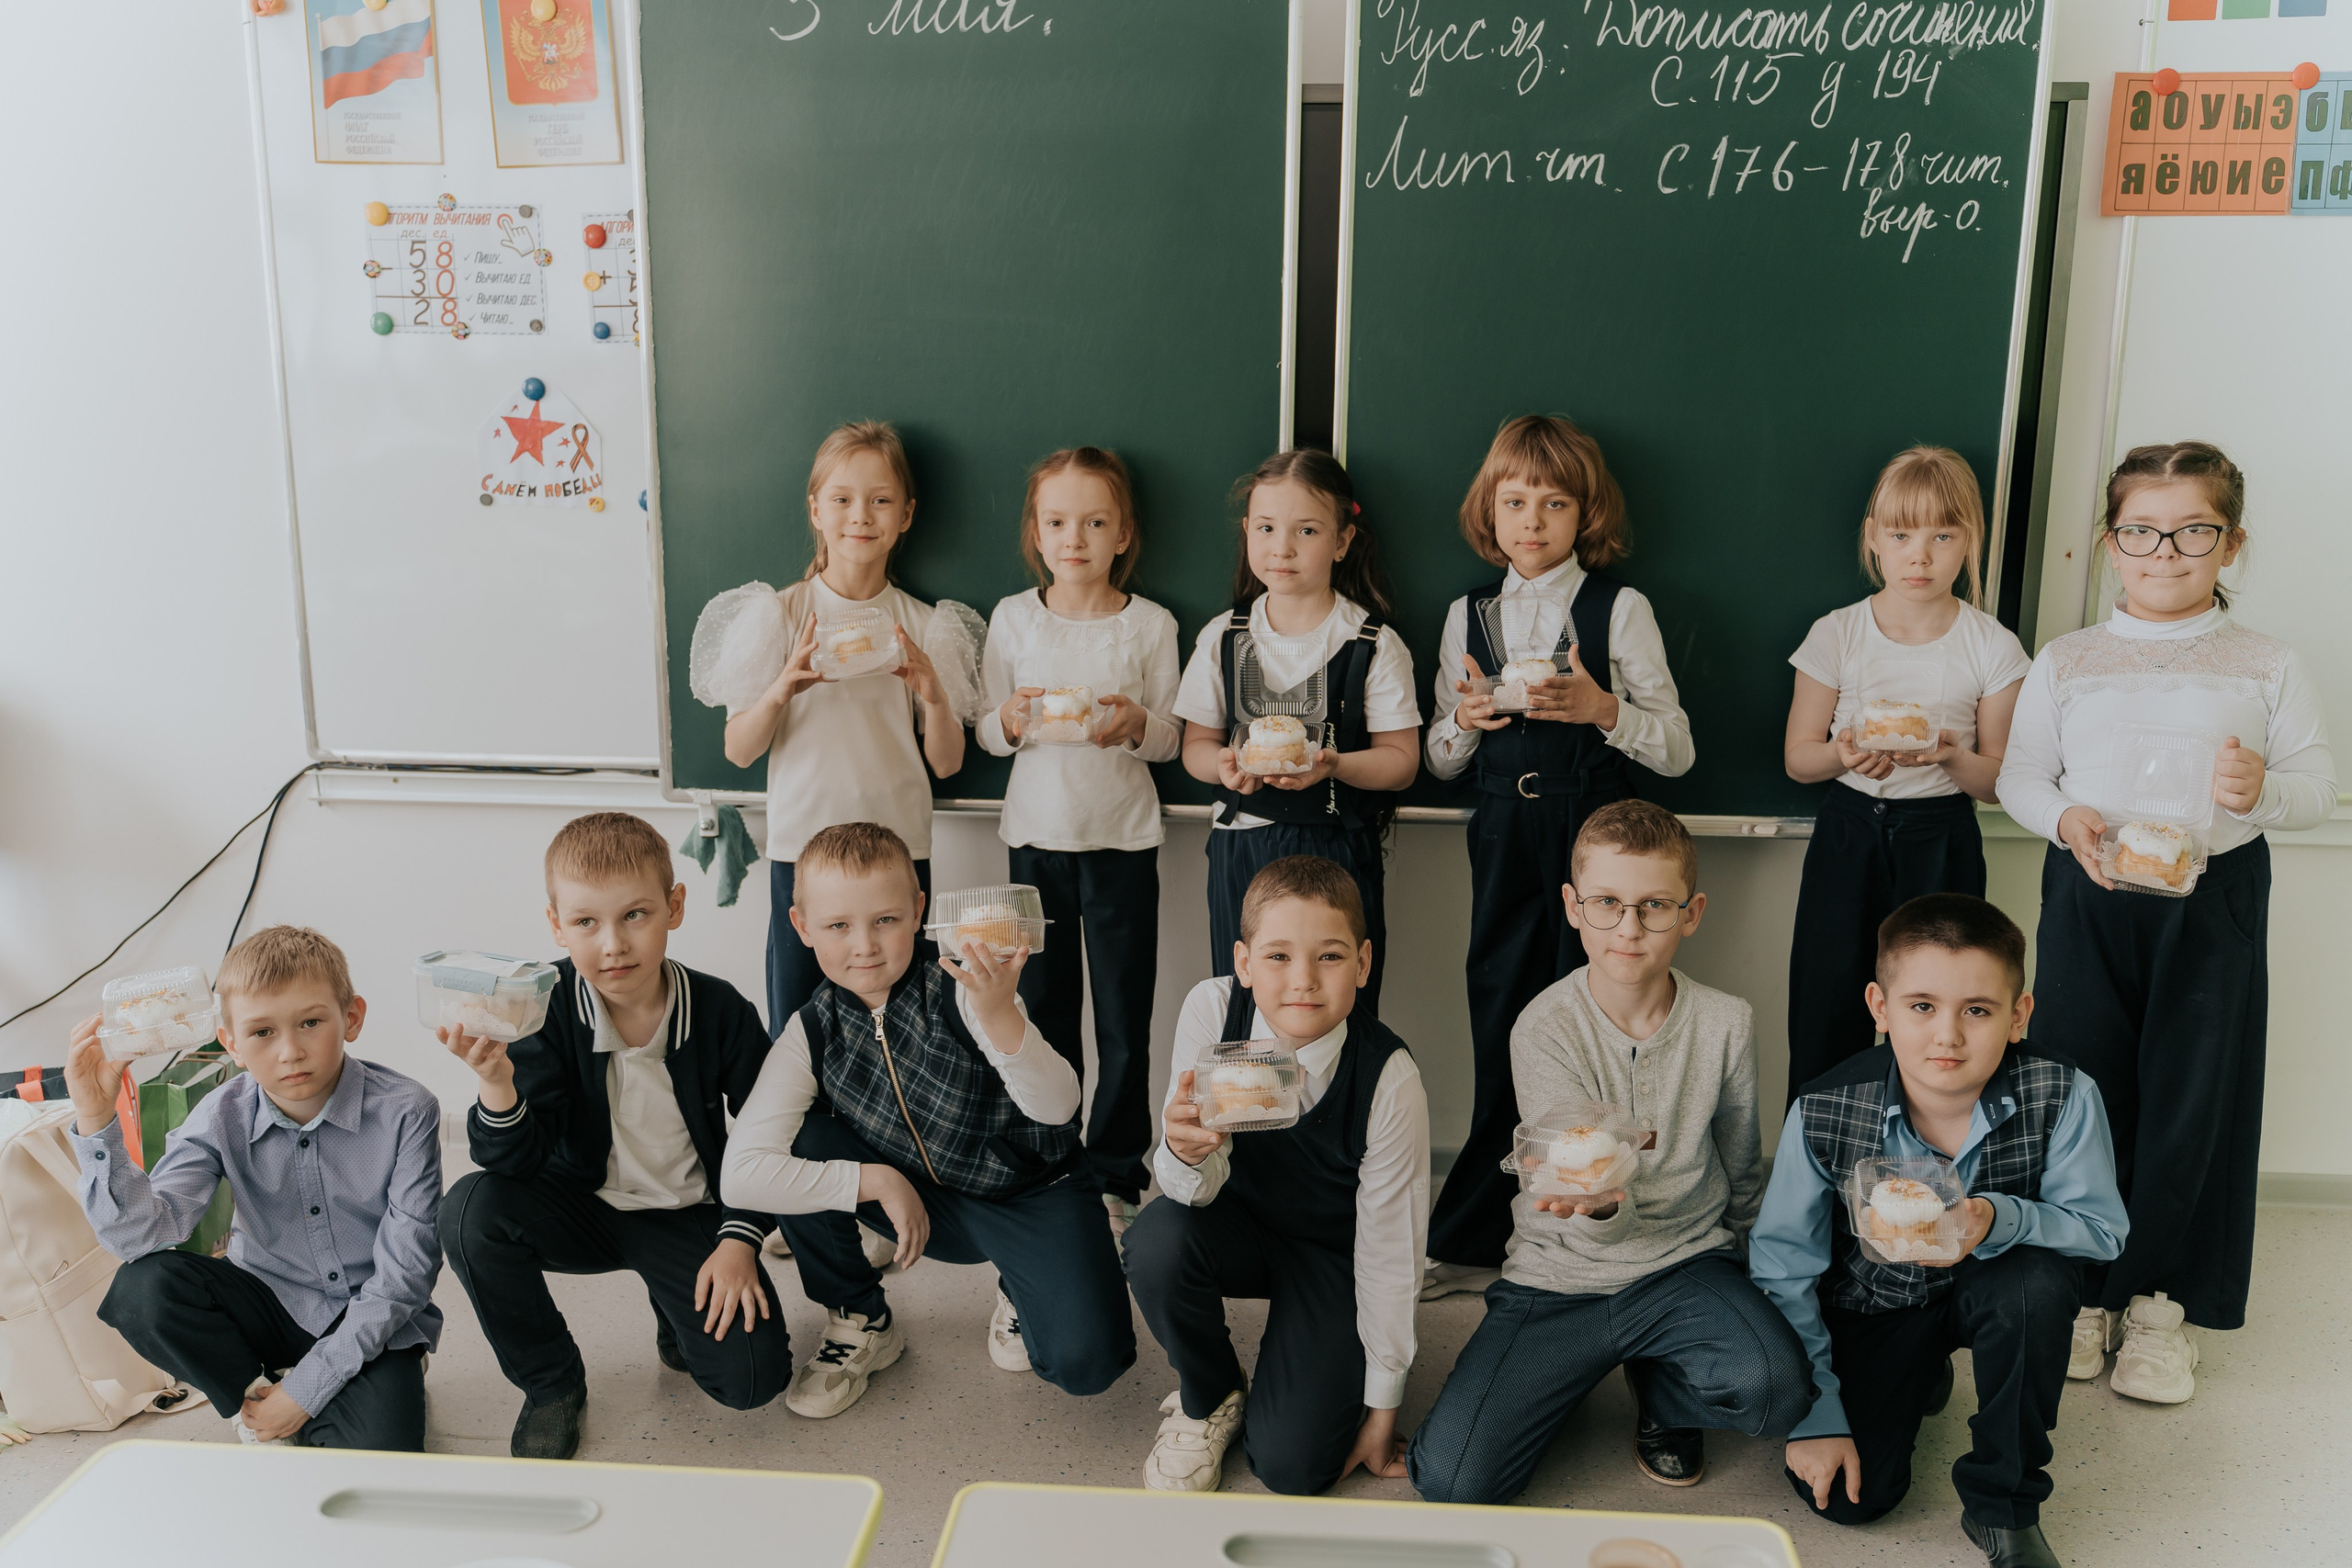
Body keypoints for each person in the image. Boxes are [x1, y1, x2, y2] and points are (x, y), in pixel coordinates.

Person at [1996, 441, 2334, 1403]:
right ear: (2111, 543)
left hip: (2214, 898)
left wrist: (2264, 789)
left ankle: (2159, 1306)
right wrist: (2062, 820)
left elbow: (2316, 786)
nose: (2166, 551)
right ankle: (2082, 1290)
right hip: (2091, 894)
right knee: (2081, 1095)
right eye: (2142, 530)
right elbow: (2023, 774)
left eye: (2194, 530)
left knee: (2196, 1096)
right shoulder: (2068, 659)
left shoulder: (2265, 663)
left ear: (2229, 544)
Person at [1408, 801, 1811, 1504]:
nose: (1629, 927)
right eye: (1607, 903)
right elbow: (1582, 1193)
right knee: (1454, 1478)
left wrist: (1747, 1271)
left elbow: (1740, 1155)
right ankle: (1567, 1379)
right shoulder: (1543, 1027)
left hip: (1685, 1263)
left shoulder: (1726, 1022)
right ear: (1572, 906)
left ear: (1692, 912)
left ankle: (1664, 1390)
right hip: (1561, 1274)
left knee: (1778, 1390)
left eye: (1655, 905)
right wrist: (1602, 1209)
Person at [1751, 894, 2127, 1568]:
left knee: (2032, 1285)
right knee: (1851, 1502)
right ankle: (1918, 1373)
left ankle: (2003, 1506)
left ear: (2018, 1015)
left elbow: (2101, 1231)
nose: (1947, 1035)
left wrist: (1997, 1217)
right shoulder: (1823, 1108)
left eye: (1977, 1010)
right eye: (1921, 1005)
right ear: (1879, 1007)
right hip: (1876, 1301)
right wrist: (1818, 1411)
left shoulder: (2064, 1093)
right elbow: (1784, 1268)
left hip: (2000, 1286)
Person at [720, 821, 1136, 1418]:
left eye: (884, 919)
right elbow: (742, 1176)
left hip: (1027, 1190)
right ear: (802, 927)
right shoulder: (809, 1031)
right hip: (917, 1201)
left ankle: (1018, 1282)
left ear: (919, 911)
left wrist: (999, 1016)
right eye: (838, 925)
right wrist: (876, 1181)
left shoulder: (966, 985)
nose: (863, 945)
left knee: (1088, 1362)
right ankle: (862, 1317)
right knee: (803, 1138)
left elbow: (1060, 1106)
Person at [1419, 413, 1695, 1299]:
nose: (1532, 519)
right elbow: (1437, 756)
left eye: (1554, 502)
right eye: (1514, 501)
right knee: (1502, 1016)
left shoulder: (1622, 609)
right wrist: (1463, 722)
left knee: (1604, 1021)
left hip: (1600, 836)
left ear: (1586, 515)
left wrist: (1602, 709)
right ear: (1489, 512)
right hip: (1502, 830)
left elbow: (1679, 749)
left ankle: (1604, 1217)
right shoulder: (1467, 613)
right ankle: (1475, 1236)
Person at [439, 812, 788, 1460]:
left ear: (673, 906)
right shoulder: (538, 1006)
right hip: (582, 1204)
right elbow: (512, 1162)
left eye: (634, 915)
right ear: (555, 925)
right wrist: (496, 1081)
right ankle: (551, 1384)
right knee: (467, 1212)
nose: (612, 945)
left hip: (688, 1214)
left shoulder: (719, 1010)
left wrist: (742, 1236)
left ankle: (671, 1307)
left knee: (752, 1381)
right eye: (585, 923)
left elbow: (772, 1131)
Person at [63, 925, 442, 1450]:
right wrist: (94, 1117)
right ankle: (257, 1403)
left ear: (351, 1018)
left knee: (382, 1458)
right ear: (232, 1044)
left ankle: (328, 1392)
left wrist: (309, 1390)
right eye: (262, 1032)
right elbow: (137, 1240)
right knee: (142, 1290)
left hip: (369, 1314)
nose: (290, 1052)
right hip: (270, 1301)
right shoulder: (221, 1113)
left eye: (311, 1022)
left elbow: (406, 1276)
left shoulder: (408, 1112)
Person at [1123, 854, 1429, 1495]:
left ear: (1364, 964)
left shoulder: (1388, 1076)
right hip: (1232, 1227)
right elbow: (1187, 1195)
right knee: (1155, 1238)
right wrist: (1183, 1150)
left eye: (1331, 957)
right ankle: (1211, 1391)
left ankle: (1305, 1367)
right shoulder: (1212, 1010)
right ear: (1243, 962)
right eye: (1279, 956)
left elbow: (1390, 1252)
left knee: (1294, 1466)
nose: (1304, 982)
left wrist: (1383, 1405)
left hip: (1330, 1255)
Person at [976, 446, 1183, 1236]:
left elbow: (1172, 737)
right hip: (1033, 840)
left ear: (1123, 532)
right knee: (1043, 1010)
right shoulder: (1013, 617)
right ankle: (1051, 1158)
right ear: (1036, 530)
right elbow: (985, 730)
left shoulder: (1152, 624)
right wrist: (1012, 719)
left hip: (1124, 842)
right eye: (1058, 521)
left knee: (1124, 1021)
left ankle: (1117, 1169)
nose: (1076, 537)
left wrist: (1137, 726)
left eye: (1095, 521)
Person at [1781, 446, 2031, 1099]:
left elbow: (1999, 781)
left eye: (1942, 535)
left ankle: (1923, 1169)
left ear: (1969, 541)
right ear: (1874, 540)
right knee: (1827, 1002)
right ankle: (1816, 1175)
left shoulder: (1993, 646)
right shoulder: (1837, 634)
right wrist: (1842, 752)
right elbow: (1799, 758)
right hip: (1848, 829)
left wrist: (1951, 755)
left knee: (1938, 1012)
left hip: (1941, 834)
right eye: (1901, 535)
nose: (1920, 554)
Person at [720, 420, 973, 1030]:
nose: (861, 515)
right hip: (802, 850)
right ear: (815, 509)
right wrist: (782, 687)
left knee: (909, 1026)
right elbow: (737, 749)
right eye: (842, 499)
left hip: (898, 851)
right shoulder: (778, 614)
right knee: (799, 1026)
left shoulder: (924, 623)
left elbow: (946, 763)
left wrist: (933, 694)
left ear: (906, 514)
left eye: (881, 500)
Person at [1174, 450, 1419, 1013]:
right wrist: (1224, 767)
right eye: (1265, 528)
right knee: (1244, 1006)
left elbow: (1401, 761)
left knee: (1338, 1009)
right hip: (1243, 841)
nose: (1281, 547)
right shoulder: (1223, 636)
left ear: (1342, 540)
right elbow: (1196, 746)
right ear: (1247, 533)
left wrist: (1334, 764)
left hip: (1339, 844)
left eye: (1306, 530)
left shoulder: (1373, 643)